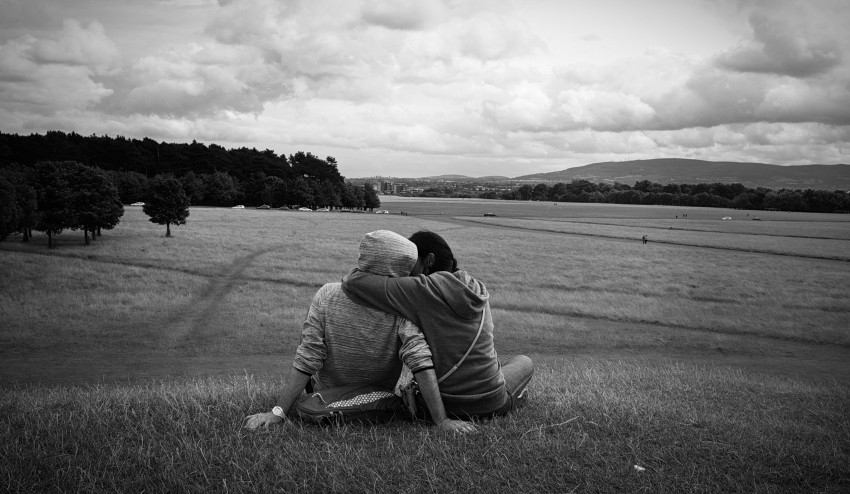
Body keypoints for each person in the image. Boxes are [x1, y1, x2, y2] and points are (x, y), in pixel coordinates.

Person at [245, 230, 474, 433]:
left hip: (324, 397)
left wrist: (277, 412)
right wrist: (441, 420)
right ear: (400, 267)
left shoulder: (327, 294)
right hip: (373, 401)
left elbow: (308, 356)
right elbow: (421, 362)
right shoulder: (402, 308)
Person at [342, 230, 533, 420]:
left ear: (429, 260)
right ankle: (516, 397)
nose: (407, 270)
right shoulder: (476, 288)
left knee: (519, 363)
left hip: (444, 405)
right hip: (492, 403)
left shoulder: (419, 289)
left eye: (411, 261)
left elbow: (354, 282)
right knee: (524, 361)